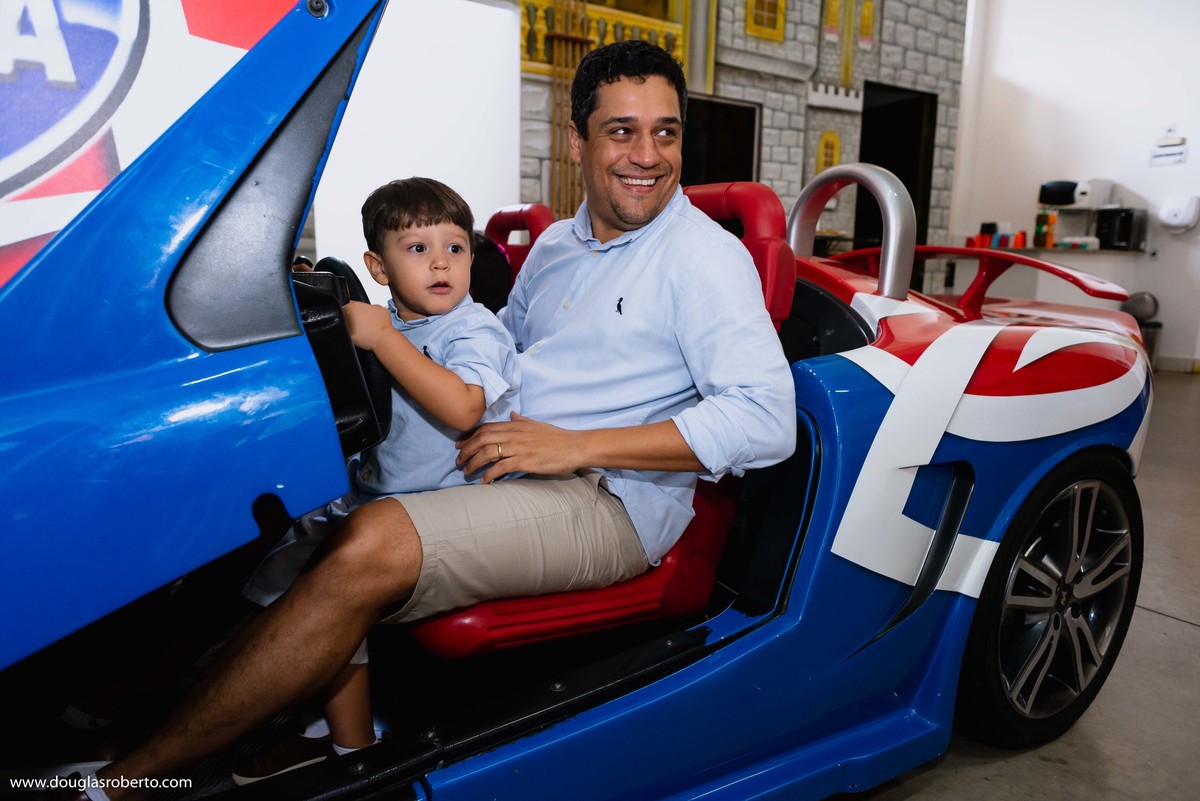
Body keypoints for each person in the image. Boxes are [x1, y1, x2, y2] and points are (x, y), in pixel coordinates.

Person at [83, 39, 794, 799]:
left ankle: (124, 784)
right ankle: (183, 720)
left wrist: (569, 445)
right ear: (578, 140)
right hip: (516, 462)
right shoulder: (557, 245)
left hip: (610, 498)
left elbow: (766, 418)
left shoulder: (702, 257)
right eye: (622, 130)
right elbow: (503, 356)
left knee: (372, 537)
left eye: (666, 131)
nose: (646, 154)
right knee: (291, 499)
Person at [232, 176, 521, 785]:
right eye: (417, 249)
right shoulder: (388, 322)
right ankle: (315, 709)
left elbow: (466, 407)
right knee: (277, 552)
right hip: (382, 491)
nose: (441, 262)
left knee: (327, 575)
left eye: (456, 247)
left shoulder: (472, 330)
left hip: (449, 503)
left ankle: (353, 749)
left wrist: (384, 339)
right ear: (378, 267)